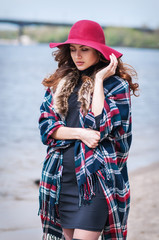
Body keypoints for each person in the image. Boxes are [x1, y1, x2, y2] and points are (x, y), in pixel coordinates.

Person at [38, 20, 138, 240]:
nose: (77, 56)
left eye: (84, 49)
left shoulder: (116, 86)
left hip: (96, 180)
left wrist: (100, 80)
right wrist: (80, 134)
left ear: (99, 52)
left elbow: (100, 126)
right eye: (73, 49)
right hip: (61, 179)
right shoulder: (58, 83)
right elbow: (47, 128)